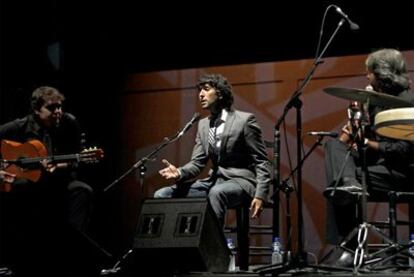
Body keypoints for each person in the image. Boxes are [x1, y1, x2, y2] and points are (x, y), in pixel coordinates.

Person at [323, 49, 414, 266]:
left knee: (338, 185)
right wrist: (356, 130)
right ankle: (350, 185)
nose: (367, 77)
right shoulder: (375, 101)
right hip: (378, 166)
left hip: (402, 171)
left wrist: (366, 143)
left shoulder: (406, 101)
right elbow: (368, 143)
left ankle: (348, 247)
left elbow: (404, 150)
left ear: (382, 73)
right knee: (334, 147)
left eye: (369, 72)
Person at [154, 73, 271, 228]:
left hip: (241, 183)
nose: (200, 94)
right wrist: (180, 172)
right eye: (199, 91)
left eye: (206, 89)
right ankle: (175, 246)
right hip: (213, 182)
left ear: (220, 93)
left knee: (217, 193)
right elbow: (197, 163)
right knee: (162, 194)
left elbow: (261, 161)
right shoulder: (203, 125)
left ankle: (216, 249)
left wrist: (261, 195)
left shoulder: (244, 120)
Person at [0, 86, 94, 276]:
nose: (58, 112)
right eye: (52, 108)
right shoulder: (18, 127)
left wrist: (59, 167)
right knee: (21, 189)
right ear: (36, 110)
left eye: (60, 107)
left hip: (59, 180)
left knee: (82, 190)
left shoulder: (70, 124)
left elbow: (75, 161)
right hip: (29, 182)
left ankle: (71, 248)